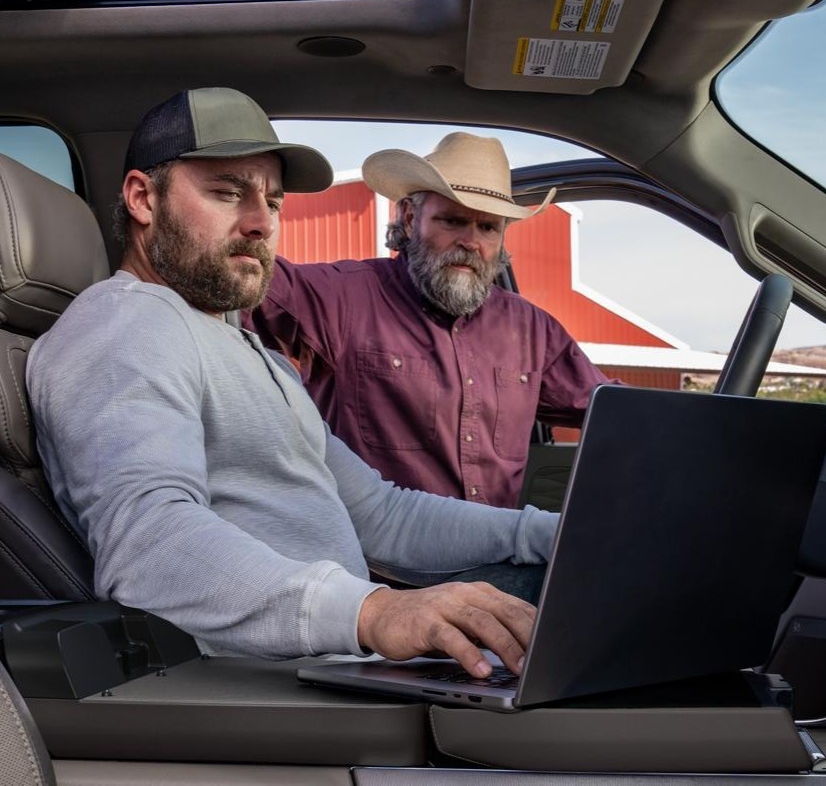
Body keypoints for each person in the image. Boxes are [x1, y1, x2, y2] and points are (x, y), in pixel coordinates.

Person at [27, 87, 559, 678]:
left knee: (585, 580)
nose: (260, 223)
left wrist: (548, 532)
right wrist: (374, 612)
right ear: (142, 199)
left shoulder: (253, 352)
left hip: (338, 664)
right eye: (228, 193)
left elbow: (383, 515)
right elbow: (149, 546)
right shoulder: (126, 323)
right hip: (265, 696)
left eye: (273, 202)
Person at [246, 132, 611, 510]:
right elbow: (239, 283)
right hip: (377, 563)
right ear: (408, 217)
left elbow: (615, 412)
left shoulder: (533, 331)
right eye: (452, 221)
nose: (470, 242)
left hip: (497, 556)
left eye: (488, 228)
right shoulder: (342, 297)